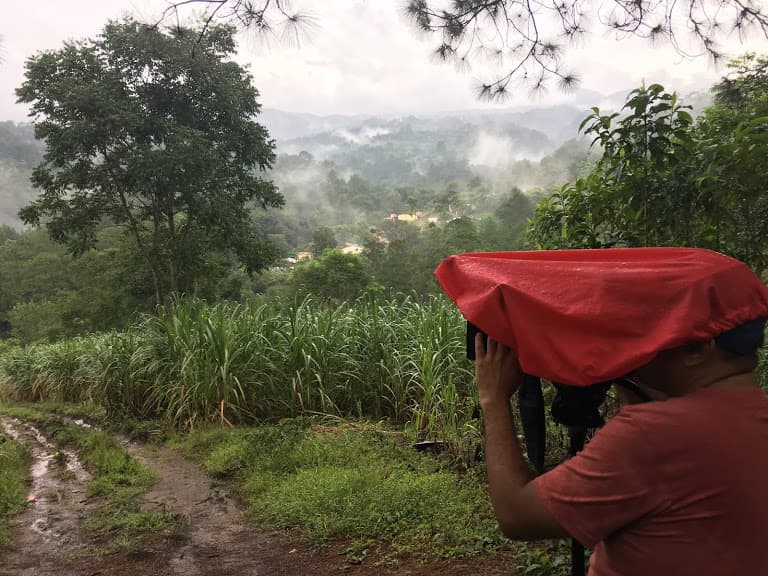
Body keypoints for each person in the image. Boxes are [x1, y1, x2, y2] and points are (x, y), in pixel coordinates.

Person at [474, 319, 768, 576]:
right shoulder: (752, 414)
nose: (641, 346)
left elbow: (517, 516)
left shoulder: (654, 434)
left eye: (655, 334)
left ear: (698, 347)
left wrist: (493, 398)